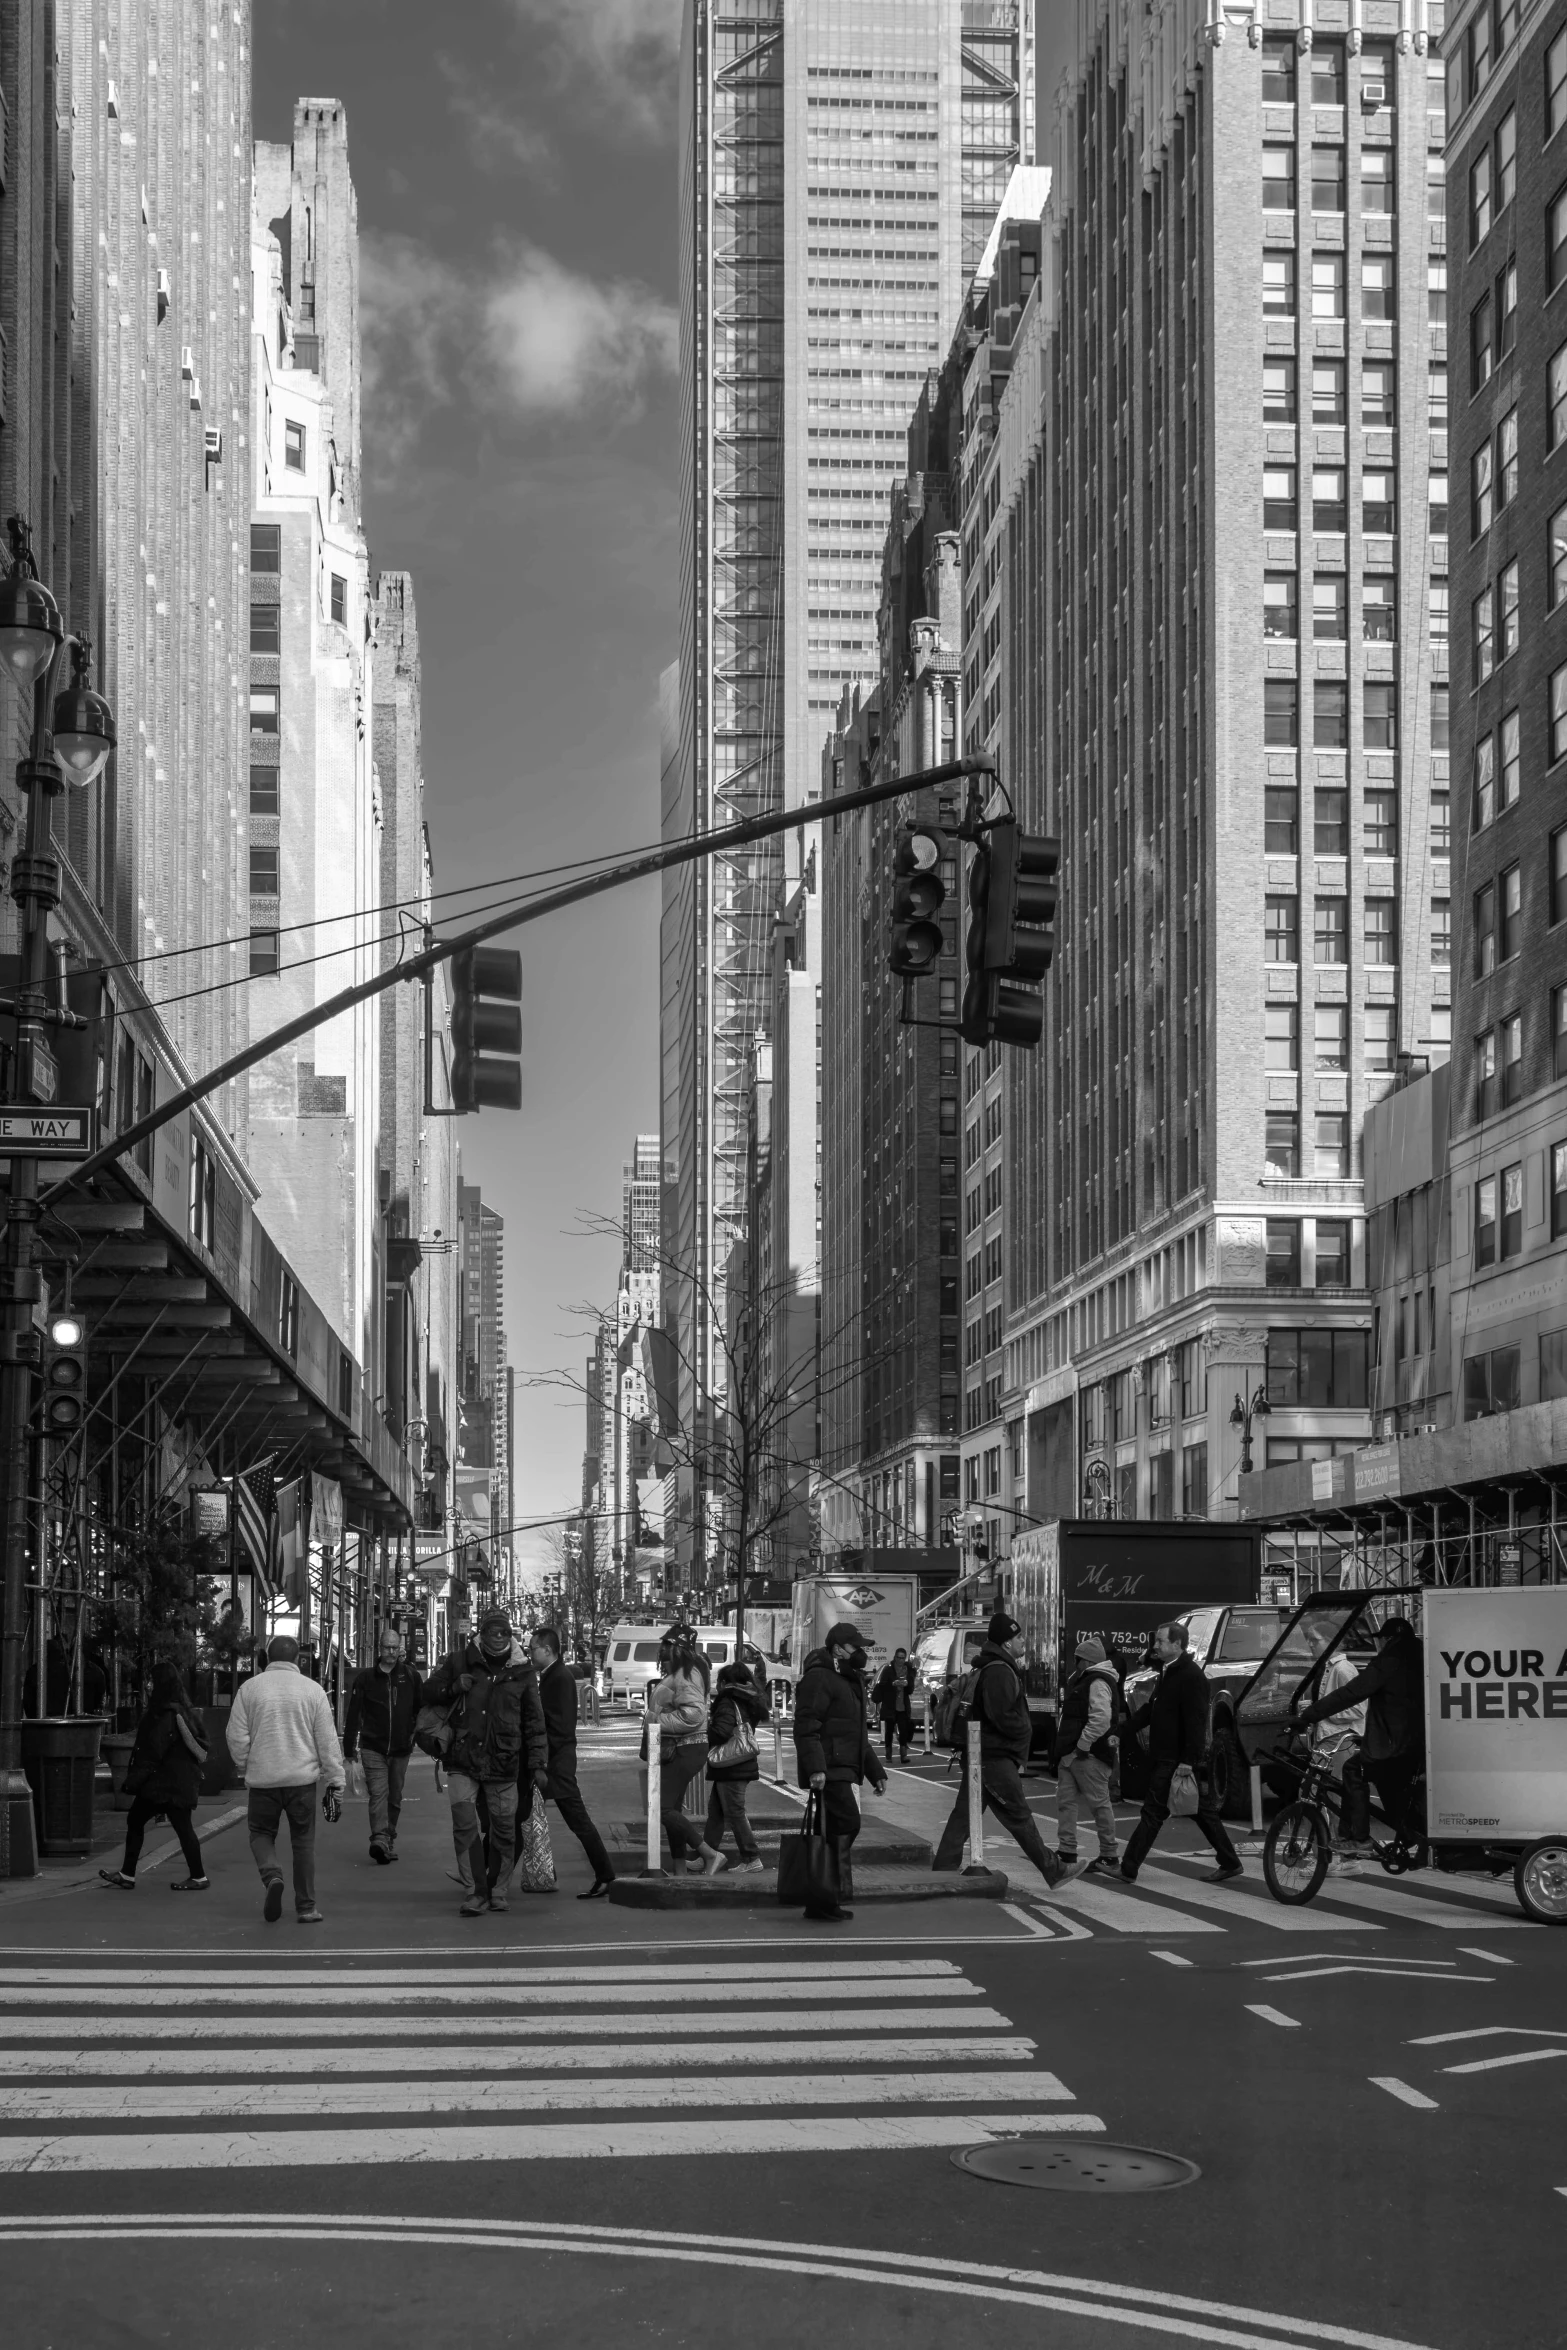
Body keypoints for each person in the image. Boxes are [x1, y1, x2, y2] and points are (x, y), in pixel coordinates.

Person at [422, 1608, 549, 1916]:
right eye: (492, 1631)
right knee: (465, 1826)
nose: (498, 1637)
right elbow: (426, 1691)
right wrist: (452, 1687)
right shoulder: (458, 1661)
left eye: (503, 1632)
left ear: (510, 1635)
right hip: (463, 1759)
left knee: (504, 1829)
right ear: (481, 1633)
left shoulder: (523, 1672)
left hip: (504, 1762)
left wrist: (538, 1764)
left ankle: (498, 1889)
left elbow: (534, 1721)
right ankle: (475, 1891)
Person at [932, 1614, 1069, 1889]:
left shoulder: (992, 1667)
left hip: (982, 1755)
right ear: (1007, 1642)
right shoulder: (999, 1671)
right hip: (994, 1757)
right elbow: (1003, 1715)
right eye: (1019, 1637)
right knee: (1018, 1816)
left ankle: (943, 1867)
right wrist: (1025, 1732)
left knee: (964, 1814)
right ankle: (1053, 1870)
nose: (1023, 1643)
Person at [225, 1632, 345, 1924]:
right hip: (302, 1782)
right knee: (303, 1843)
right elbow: (327, 1741)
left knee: (261, 1833)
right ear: (297, 1660)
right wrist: (335, 1779)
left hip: (263, 1780)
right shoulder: (313, 1690)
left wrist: (245, 1765)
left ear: (267, 1658)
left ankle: (272, 1875)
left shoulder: (250, 1689)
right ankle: (306, 1907)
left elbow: (235, 1735)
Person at [1119, 1619, 1242, 1884]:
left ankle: (1128, 1868)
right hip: (1167, 1755)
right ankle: (1230, 1861)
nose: (1156, 1645)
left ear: (1177, 1644)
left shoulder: (1191, 1676)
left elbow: (1196, 1722)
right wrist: (1122, 1731)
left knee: (1152, 1813)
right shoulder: (1169, 1670)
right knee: (1201, 1810)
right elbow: (1152, 1710)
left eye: (1161, 1641)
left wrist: (1188, 1760)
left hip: (1175, 1758)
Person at [1293, 1614, 1425, 1842]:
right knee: (1396, 1797)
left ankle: (1358, 1838)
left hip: (1393, 1744)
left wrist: (1308, 1715)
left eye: (1382, 1639)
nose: (1379, 1645)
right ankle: (1411, 1834)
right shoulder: (1421, 1657)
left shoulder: (1389, 1660)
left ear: (1389, 1639)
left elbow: (1352, 1694)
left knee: (1354, 1771)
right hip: (1416, 1743)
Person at [793, 1622, 888, 1919]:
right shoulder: (821, 1678)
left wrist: (876, 1772)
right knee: (847, 1824)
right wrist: (816, 1768)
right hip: (830, 1768)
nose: (861, 1652)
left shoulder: (848, 1679)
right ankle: (824, 1894)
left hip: (843, 1766)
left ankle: (823, 1899)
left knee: (835, 1831)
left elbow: (855, 1733)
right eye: (855, 1647)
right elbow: (806, 1726)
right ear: (837, 1649)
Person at [99, 1660, 210, 1893]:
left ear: (160, 1683)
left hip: (162, 1783)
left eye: (151, 1679)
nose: (148, 1684)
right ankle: (196, 1876)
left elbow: (152, 1751)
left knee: (138, 1821)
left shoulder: (162, 1714)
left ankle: (129, 1874)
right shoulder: (183, 1710)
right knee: (180, 1827)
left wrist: (133, 1781)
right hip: (177, 1781)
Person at [529, 1623, 615, 1898]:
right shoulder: (551, 1675)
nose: (530, 1653)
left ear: (547, 1650)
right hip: (553, 1761)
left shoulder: (559, 1677)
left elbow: (560, 1726)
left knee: (578, 1821)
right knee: (518, 1814)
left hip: (557, 1763)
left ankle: (606, 1876)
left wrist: (542, 1760)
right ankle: (490, 1875)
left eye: (533, 1649)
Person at [647, 1634, 727, 1877]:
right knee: (672, 1811)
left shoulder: (686, 1674)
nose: (661, 1653)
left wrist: (657, 1721)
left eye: (665, 1648)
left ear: (677, 1649)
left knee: (661, 1808)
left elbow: (694, 1715)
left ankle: (709, 1854)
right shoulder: (684, 1672)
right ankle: (680, 1869)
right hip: (680, 1748)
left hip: (685, 1748)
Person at [343, 1628, 423, 1865]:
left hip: (401, 1748)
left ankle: (388, 1838)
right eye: (387, 1647)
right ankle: (379, 1838)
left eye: (395, 1647)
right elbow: (354, 1715)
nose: (391, 1652)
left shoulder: (410, 1676)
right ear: (380, 1648)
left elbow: (420, 1709)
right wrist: (350, 1751)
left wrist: (415, 1735)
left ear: (400, 1649)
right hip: (372, 1747)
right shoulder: (366, 1679)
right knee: (379, 1793)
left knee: (395, 1797)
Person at [1053, 1636, 1122, 1876]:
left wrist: (1082, 1746)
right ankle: (1067, 1850)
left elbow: (1101, 1719)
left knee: (1098, 1805)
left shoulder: (1097, 1681)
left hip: (1087, 1755)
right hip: (1076, 1754)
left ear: (1084, 1661)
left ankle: (1109, 1855)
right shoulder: (1094, 1680)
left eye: (1077, 1659)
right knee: (1068, 1803)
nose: (1075, 1664)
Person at [705, 1658, 769, 1872]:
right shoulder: (749, 1699)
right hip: (737, 1764)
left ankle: (751, 1858)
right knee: (716, 1812)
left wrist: (707, 1729)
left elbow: (722, 1732)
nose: (716, 1685)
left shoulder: (728, 1701)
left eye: (718, 1681)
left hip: (731, 1766)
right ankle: (707, 1854)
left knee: (734, 1813)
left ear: (724, 1682)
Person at [873, 1647, 916, 1766]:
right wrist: (893, 1684)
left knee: (903, 1731)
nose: (900, 1660)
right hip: (890, 1705)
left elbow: (911, 1689)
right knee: (889, 1731)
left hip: (902, 1705)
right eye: (898, 1657)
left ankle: (903, 1755)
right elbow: (882, 1685)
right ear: (895, 1657)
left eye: (903, 1658)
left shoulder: (908, 1670)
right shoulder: (888, 1670)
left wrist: (906, 1684)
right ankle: (888, 1755)